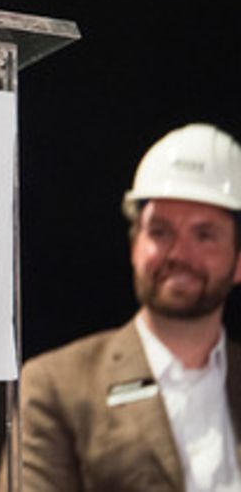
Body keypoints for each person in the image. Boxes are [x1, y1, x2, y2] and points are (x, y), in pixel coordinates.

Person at [14, 122, 241, 492]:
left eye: (204, 235)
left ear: (238, 260)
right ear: (135, 245)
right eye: (160, 231)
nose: (178, 253)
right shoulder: (55, 387)